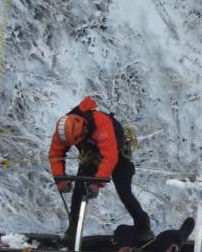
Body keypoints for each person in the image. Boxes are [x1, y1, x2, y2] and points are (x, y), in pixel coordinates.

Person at [49, 95, 150, 239]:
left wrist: (97, 183)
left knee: (124, 190)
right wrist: (60, 179)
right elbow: (55, 154)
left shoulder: (100, 124)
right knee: (79, 189)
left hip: (117, 153)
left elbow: (110, 157)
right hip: (91, 153)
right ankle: (73, 229)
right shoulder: (63, 130)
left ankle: (143, 226)